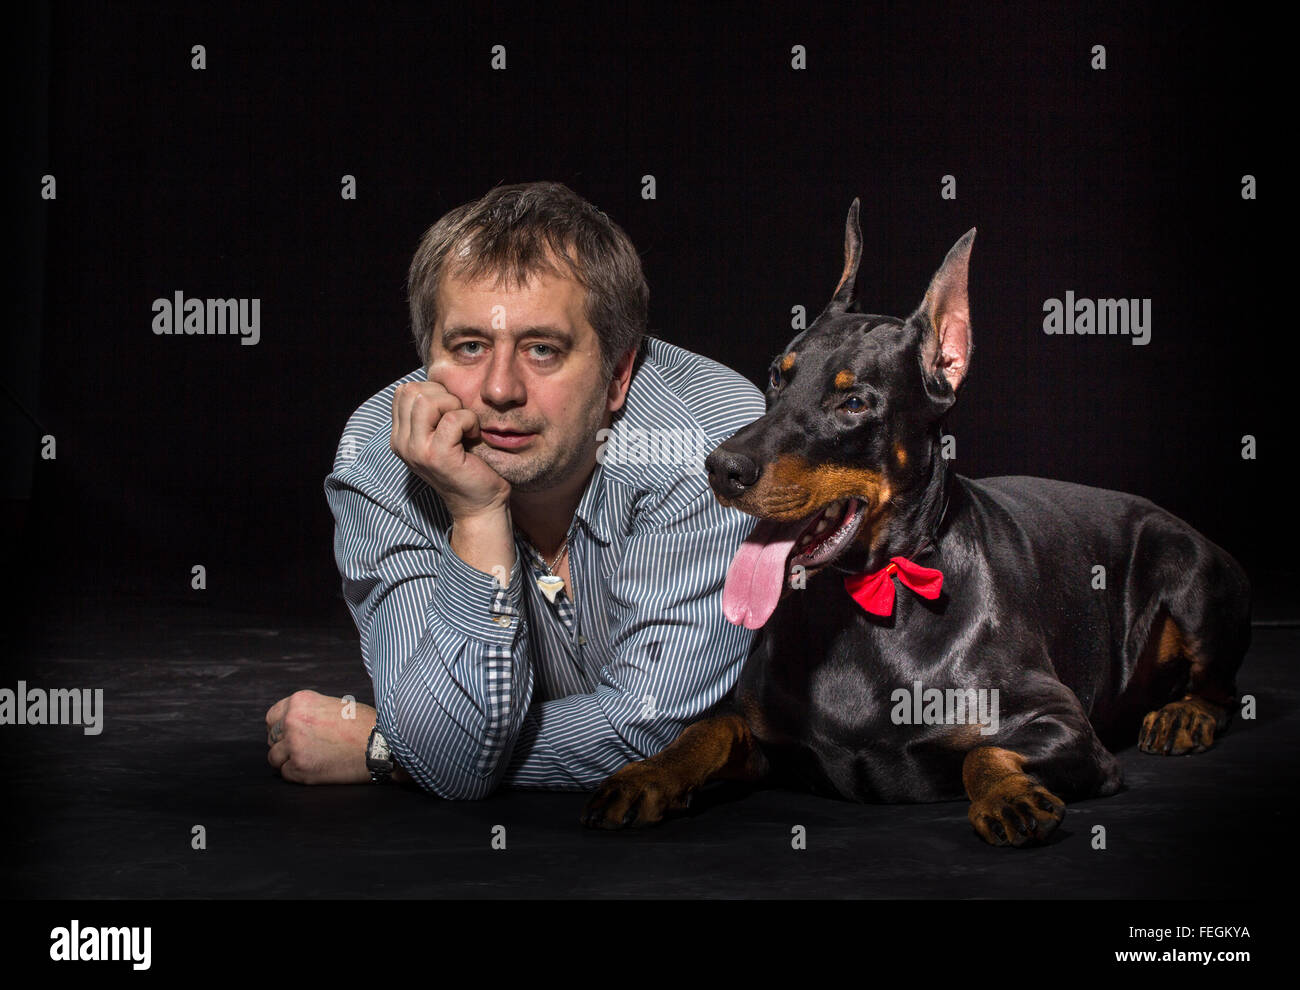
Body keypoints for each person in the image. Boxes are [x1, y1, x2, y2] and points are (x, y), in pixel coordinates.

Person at [265, 181, 765, 798]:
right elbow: (452, 756)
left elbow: (649, 729)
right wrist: (476, 512)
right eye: (469, 346)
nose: (501, 390)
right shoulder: (379, 453)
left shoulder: (709, 447)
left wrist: (390, 748)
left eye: (543, 350)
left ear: (618, 374)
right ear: (428, 359)